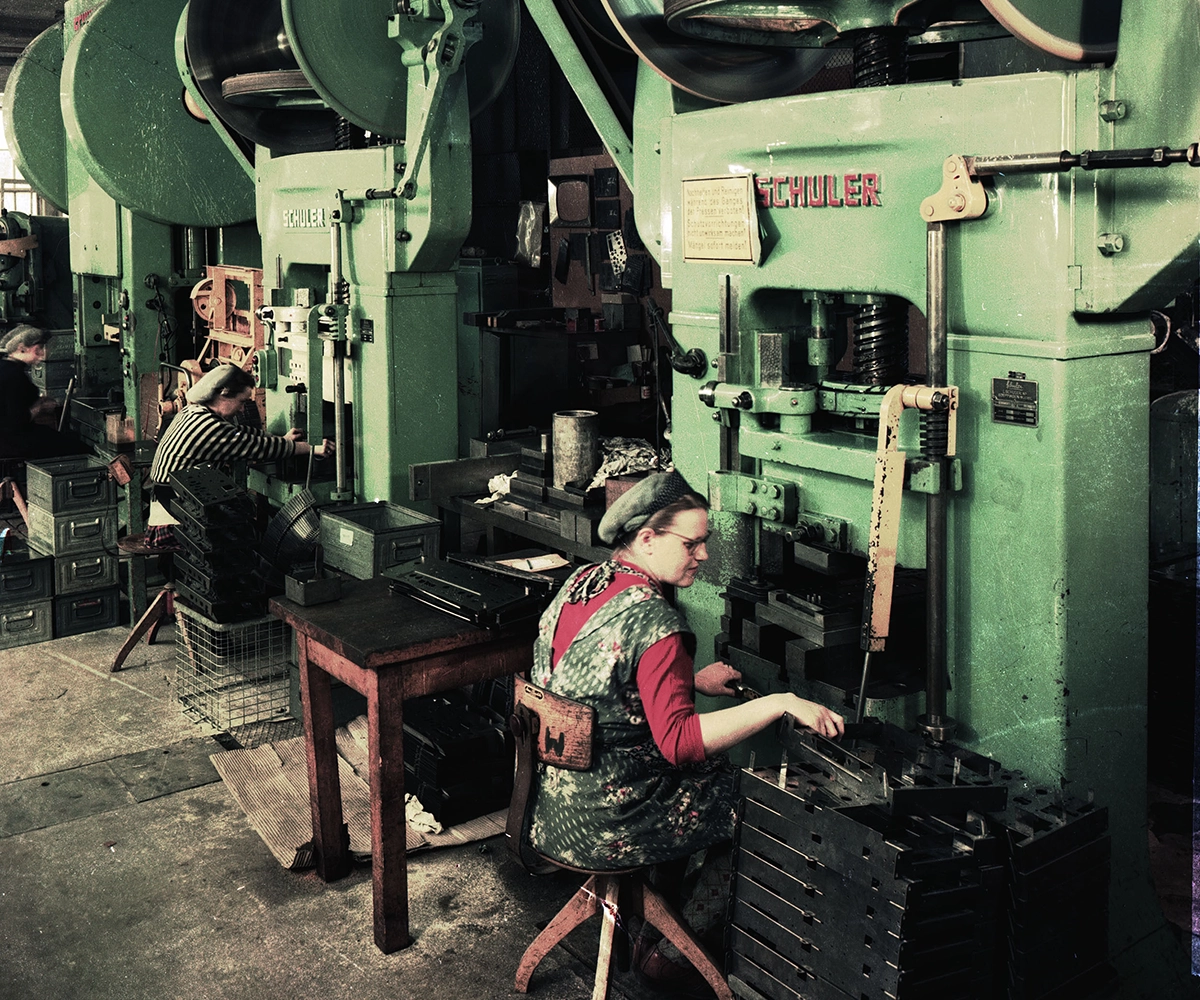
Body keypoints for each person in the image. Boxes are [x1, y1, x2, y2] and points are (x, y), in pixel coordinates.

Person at [527, 469, 844, 994]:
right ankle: (672, 952)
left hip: (552, 807)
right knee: (756, 808)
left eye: (705, 543)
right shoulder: (659, 623)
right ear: (647, 539)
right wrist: (780, 702)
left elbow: (590, 688)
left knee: (701, 782)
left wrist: (689, 683)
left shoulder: (583, 584)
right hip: (611, 820)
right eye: (692, 544)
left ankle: (648, 927)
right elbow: (679, 743)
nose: (703, 556)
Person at [149, 363, 333, 495]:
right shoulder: (208, 426)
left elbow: (242, 434)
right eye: (242, 402)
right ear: (224, 394)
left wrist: (283, 440)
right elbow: (258, 447)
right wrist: (311, 448)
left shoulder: (194, 411)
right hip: (175, 501)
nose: (243, 409)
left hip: (175, 494)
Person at [0, 325, 85, 459]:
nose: (42, 355)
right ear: (21, 348)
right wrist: (39, 407)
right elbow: (15, 421)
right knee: (79, 449)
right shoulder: (14, 376)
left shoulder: (4, 366)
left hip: (10, 438)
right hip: (11, 442)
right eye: (37, 350)